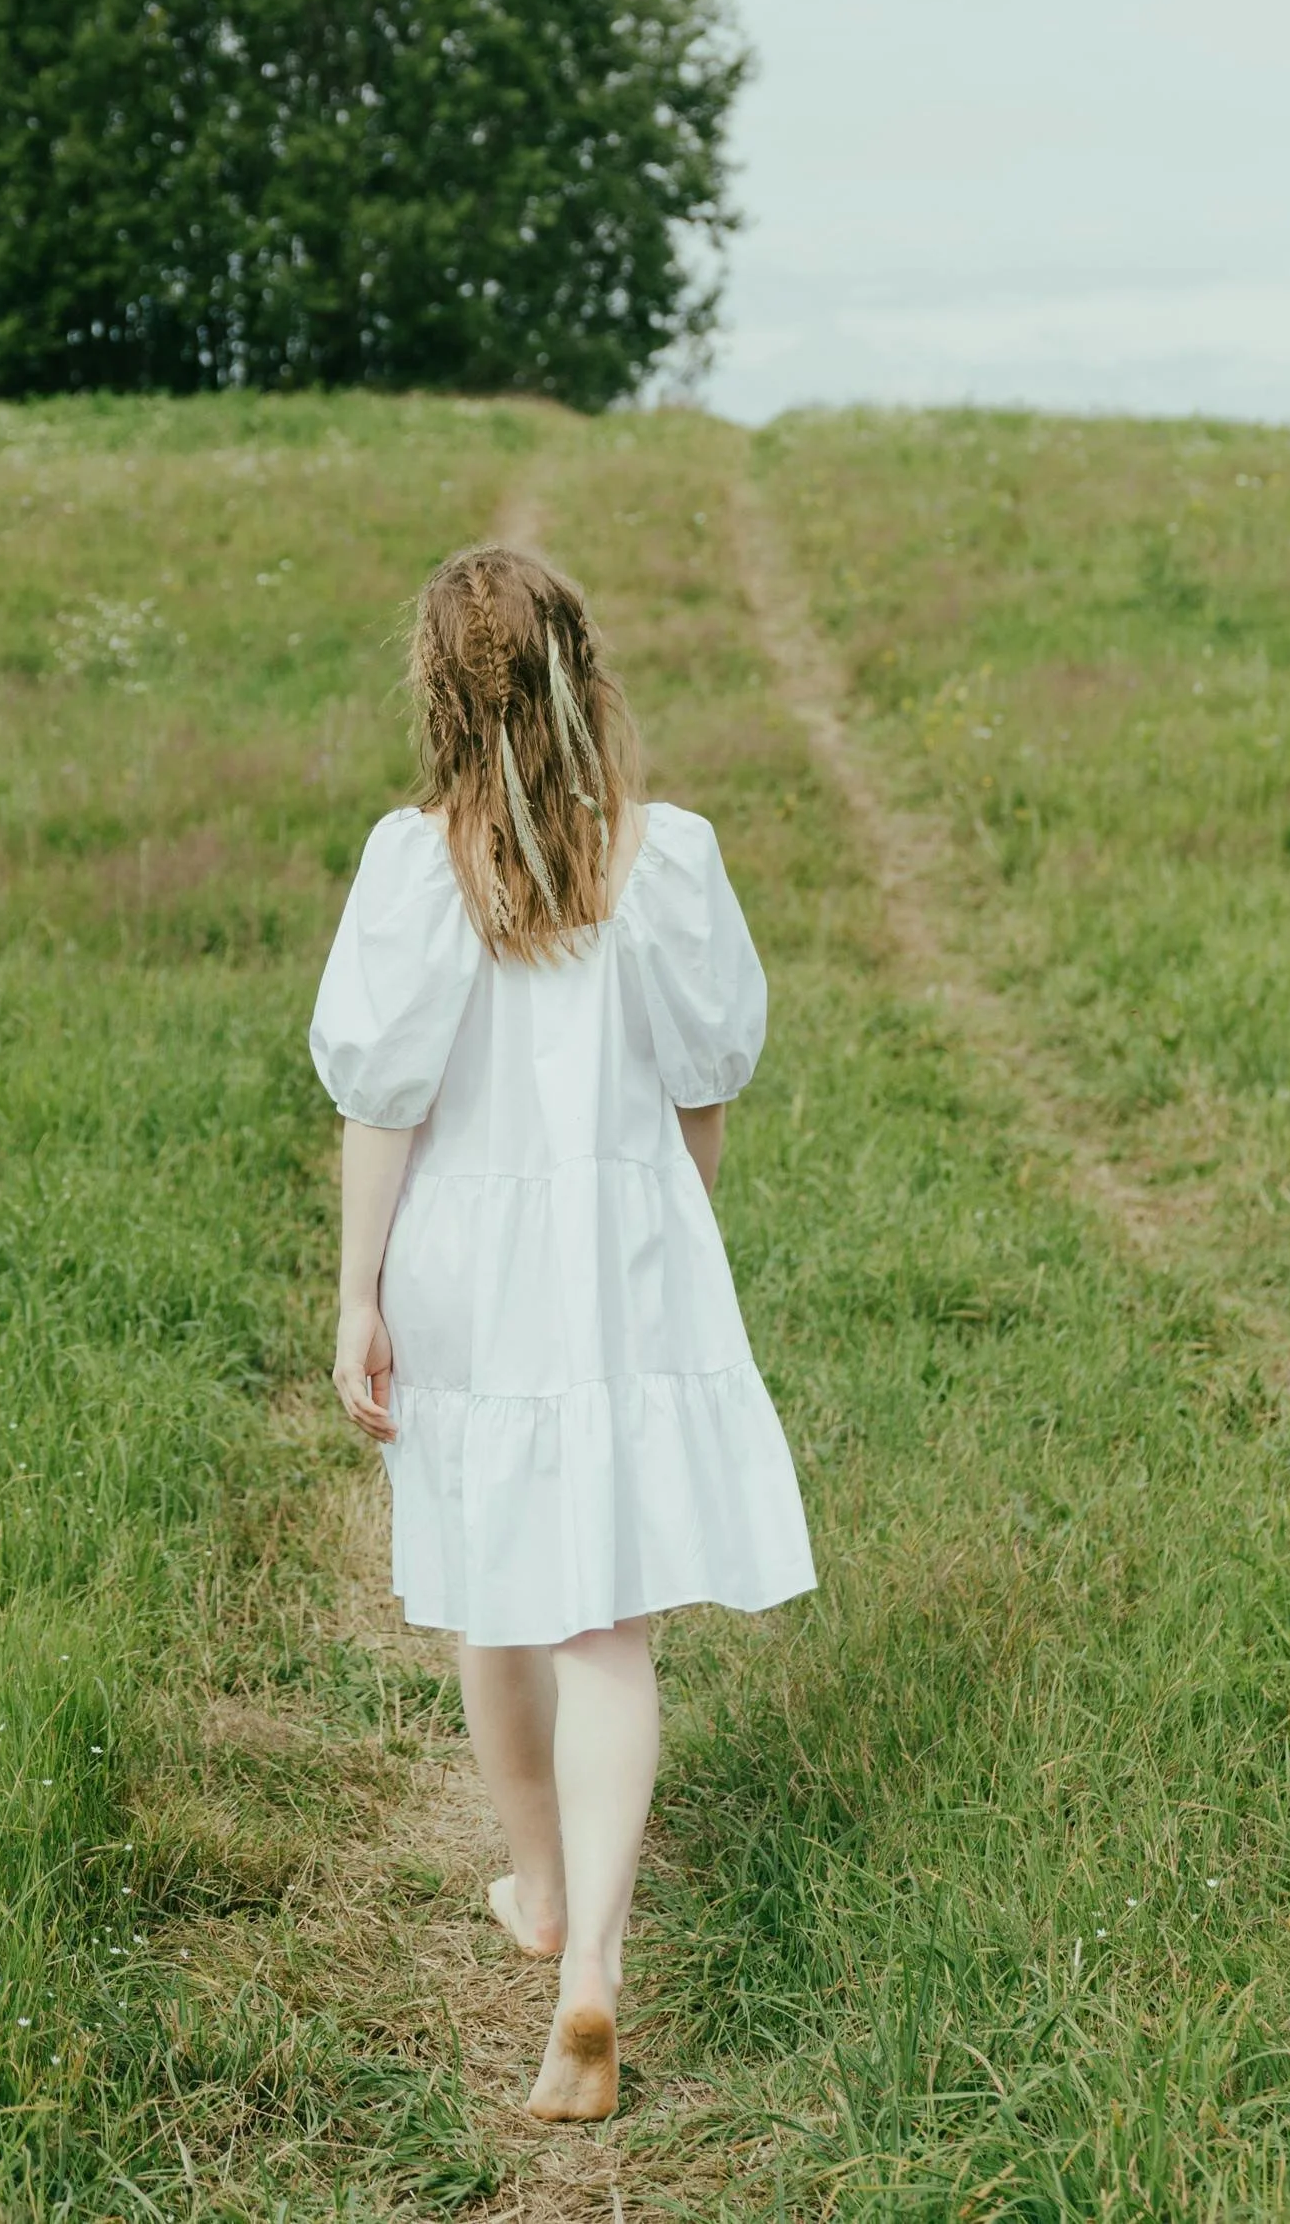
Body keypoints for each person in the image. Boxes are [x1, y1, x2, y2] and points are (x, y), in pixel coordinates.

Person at [310, 543, 816, 2124]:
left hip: (471, 1251)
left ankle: (533, 1890)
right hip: (627, 1241)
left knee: (495, 1600)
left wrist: (360, 1291)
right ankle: (592, 1965)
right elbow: (704, 1078)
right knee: (615, 1627)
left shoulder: (416, 862)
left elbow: (382, 1101)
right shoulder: (665, 858)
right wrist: (674, 1231)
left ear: (440, 699)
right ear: (585, 672)